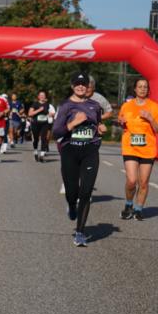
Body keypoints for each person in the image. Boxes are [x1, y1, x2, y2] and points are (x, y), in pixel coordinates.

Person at [53, 73, 106, 247]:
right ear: (72, 86)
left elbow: (97, 126)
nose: (81, 87)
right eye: (77, 84)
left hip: (90, 152)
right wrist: (73, 123)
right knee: (72, 192)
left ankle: (80, 232)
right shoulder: (65, 106)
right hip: (70, 151)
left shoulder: (95, 106)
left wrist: (101, 128)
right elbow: (57, 132)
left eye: (83, 84)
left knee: (86, 192)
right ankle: (71, 205)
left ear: (88, 86)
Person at [118, 78, 158, 221]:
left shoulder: (154, 107)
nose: (143, 89)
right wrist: (121, 122)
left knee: (143, 182)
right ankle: (128, 204)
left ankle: (138, 209)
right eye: (140, 87)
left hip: (147, 149)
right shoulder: (127, 106)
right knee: (132, 181)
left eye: (145, 87)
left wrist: (151, 118)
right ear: (135, 89)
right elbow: (121, 122)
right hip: (130, 147)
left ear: (148, 90)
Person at [27, 90, 56, 162]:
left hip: (44, 123)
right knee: (36, 139)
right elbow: (30, 114)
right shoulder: (35, 104)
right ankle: (36, 151)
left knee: (44, 138)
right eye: (41, 95)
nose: (42, 96)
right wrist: (39, 110)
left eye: (43, 95)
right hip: (35, 123)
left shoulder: (47, 105)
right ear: (38, 97)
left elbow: (52, 113)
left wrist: (51, 114)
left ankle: (42, 155)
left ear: (45, 97)